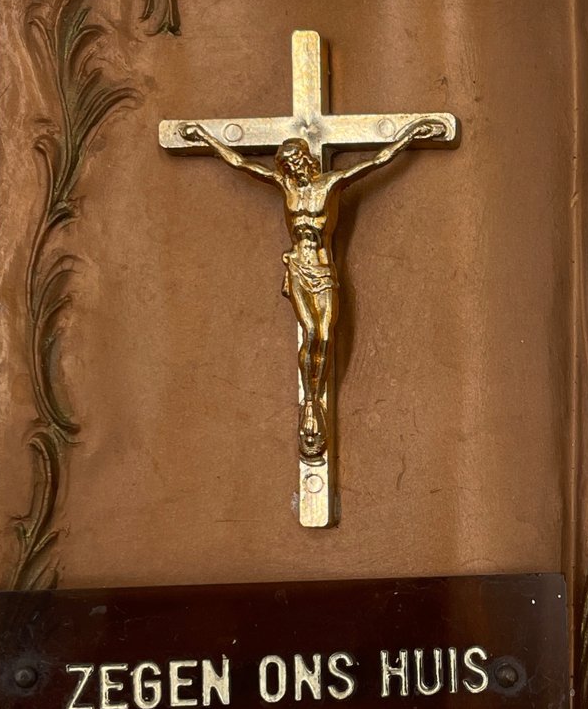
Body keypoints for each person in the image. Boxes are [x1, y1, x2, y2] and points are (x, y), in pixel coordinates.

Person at [182, 120, 444, 461]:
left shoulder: (330, 184)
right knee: (310, 333)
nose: (291, 170)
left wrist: (411, 135)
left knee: (325, 335)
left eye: (294, 163)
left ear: (306, 160)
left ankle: (314, 395)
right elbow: (241, 163)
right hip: (298, 268)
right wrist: (205, 138)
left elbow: (377, 161)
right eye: (287, 166)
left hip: (322, 270)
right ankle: (311, 402)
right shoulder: (286, 186)